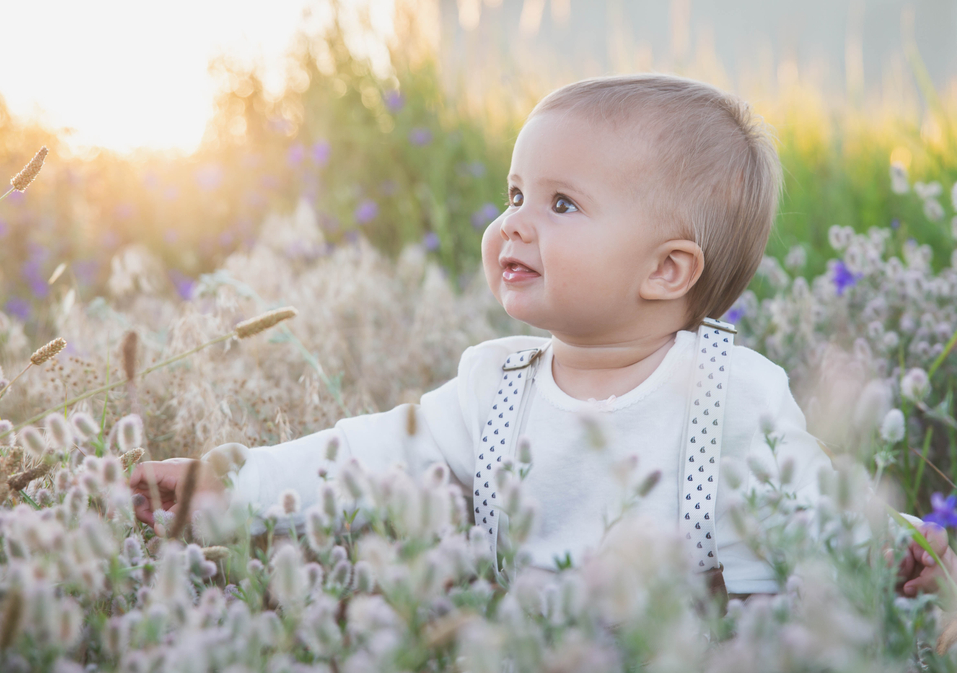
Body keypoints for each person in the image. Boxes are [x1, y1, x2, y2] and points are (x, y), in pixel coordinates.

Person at [130, 74, 944, 598]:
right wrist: (224, 483)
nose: (513, 223)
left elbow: (810, 495)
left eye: (561, 204)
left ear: (666, 270)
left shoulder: (731, 389)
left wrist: (892, 550)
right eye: (514, 193)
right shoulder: (496, 386)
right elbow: (368, 452)